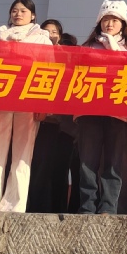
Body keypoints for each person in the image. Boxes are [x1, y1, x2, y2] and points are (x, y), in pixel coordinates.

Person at [0, 0, 52, 212]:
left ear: (33, 15)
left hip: (28, 101)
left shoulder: (42, 40)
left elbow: (49, 73)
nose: (18, 14)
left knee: (23, 154)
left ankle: (14, 205)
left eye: (23, 11)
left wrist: (44, 105)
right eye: (14, 10)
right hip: (0, 99)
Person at [77, 0, 127, 214]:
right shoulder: (87, 47)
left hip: (117, 113)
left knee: (114, 162)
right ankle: (87, 206)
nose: (109, 24)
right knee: (87, 161)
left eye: (114, 20)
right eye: (106, 19)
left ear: (123, 24)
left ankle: (108, 207)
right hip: (89, 110)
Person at [27, 19, 78, 213]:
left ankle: (58, 210)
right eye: (46, 31)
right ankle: (36, 209)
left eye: (54, 32)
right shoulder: (33, 56)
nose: (49, 35)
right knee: (39, 168)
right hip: (39, 123)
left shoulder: (66, 58)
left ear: (60, 36)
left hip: (64, 126)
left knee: (59, 170)